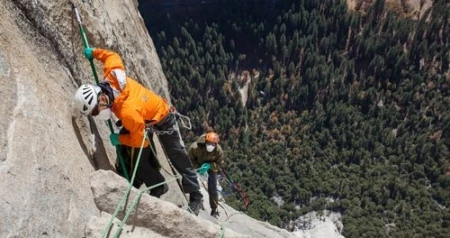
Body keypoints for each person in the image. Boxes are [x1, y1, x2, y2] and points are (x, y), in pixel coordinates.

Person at [74, 47, 203, 214]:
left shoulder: (128, 112)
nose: (96, 114)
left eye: (95, 111)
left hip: (162, 118)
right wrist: (95, 53)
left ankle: (196, 195)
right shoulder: (112, 76)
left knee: (175, 154)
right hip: (145, 117)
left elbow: (138, 140)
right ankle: (153, 183)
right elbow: (112, 56)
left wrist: (120, 140)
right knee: (134, 150)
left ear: (101, 100)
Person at [188, 132, 225, 217]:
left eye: (213, 144)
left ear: (216, 144)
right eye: (209, 143)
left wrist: (210, 166)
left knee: (213, 188)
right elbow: (190, 159)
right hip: (198, 166)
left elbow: (219, 164)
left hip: (211, 168)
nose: (211, 146)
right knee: (194, 182)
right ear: (205, 141)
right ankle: (196, 201)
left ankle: (214, 210)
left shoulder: (218, 150)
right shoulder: (195, 147)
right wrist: (199, 167)